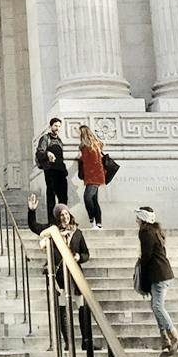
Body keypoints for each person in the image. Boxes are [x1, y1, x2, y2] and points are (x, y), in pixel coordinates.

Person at [26, 193, 89, 343]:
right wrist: (31, 211)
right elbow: (34, 227)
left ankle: (86, 341)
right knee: (62, 307)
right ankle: (67, 341)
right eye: (61, 215)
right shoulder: (52, 231)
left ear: (70, 215)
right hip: (60, 275)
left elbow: (86, 253)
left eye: (66, 214)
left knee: (82, 307)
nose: (64, 217)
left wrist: (79, 257)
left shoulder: (77, 233)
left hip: (75, 275)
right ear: (58, 218)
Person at [136, 207, 178, 357]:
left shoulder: (145, 233)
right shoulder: (155, 231)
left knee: (157, 306)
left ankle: (174, 335)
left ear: (143, 219)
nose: (136, 220)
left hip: (159, 275)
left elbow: (146, 256)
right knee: (155, 306)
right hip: (163, 273)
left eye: (138, 217)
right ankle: (165, 339)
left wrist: (142, 278)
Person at [35, 118, 69, 211]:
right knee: (51, 196)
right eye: (55, 126)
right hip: (50, 170)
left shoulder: (59, 141)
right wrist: (47, 153)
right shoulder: (45, 138)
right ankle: (52, 220)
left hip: (60, 171)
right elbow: (39, 152)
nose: (57, 128)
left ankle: (63, 218)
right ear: (50, 127)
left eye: (59, 126)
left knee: (63, 196)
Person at [76, 125, 106, 228]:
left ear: (83, 133)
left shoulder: (92, 146)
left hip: (95, 176)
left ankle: (92, 220)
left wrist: (81, 158)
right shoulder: (87, 146)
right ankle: (98, 223)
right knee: (93, 200)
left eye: (79, 133)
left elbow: (95, 162)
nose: (78, 135)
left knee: (87, 197)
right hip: (91, 176)